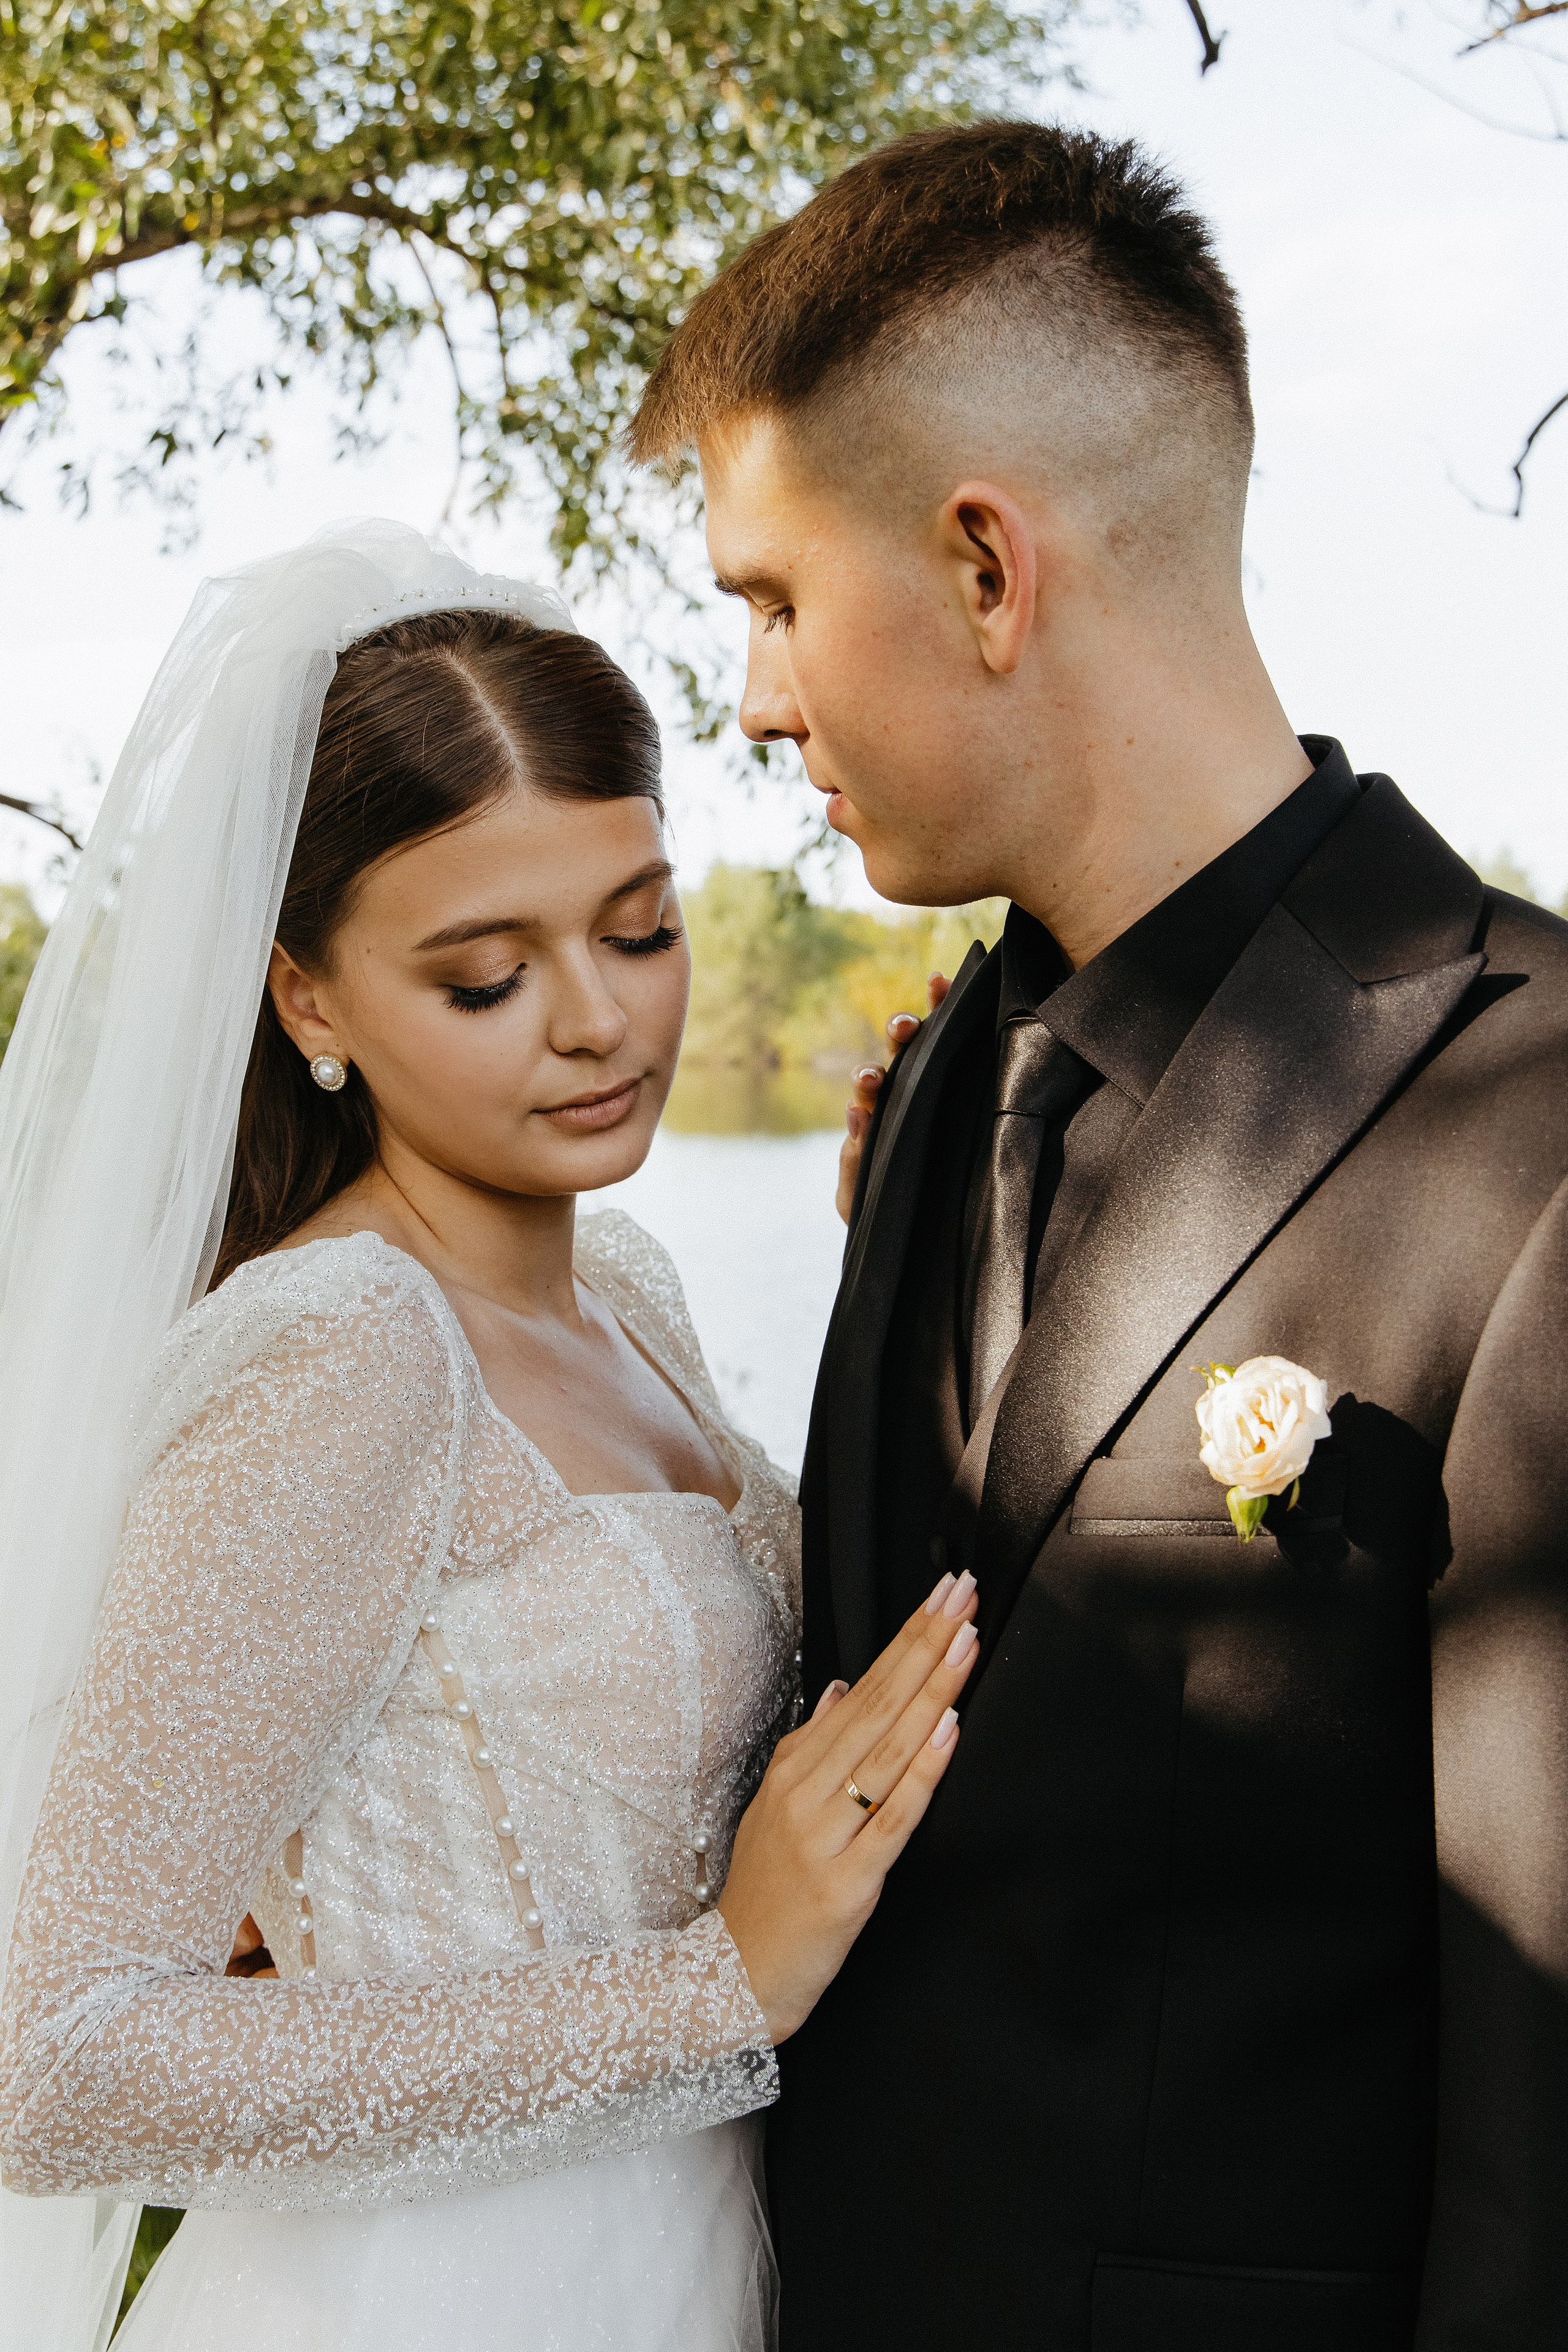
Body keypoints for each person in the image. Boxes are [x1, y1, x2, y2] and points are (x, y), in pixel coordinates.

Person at [631, 119, 1568, 2350]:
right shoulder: (953, 1064)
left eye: (771, 601)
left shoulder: (1537, 1133)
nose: (752, 701)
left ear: (985, 568)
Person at [0, 521, 978, 2352]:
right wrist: (711, 1994)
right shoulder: (344, 1355)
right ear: (310, 999)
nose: (603, 1020)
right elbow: (61, 2066)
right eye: (484, 978)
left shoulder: (632, 1291)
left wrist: (909, 1266)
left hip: (688, 2263)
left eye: (640, 927)